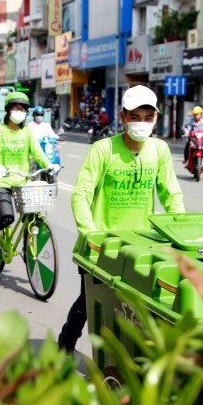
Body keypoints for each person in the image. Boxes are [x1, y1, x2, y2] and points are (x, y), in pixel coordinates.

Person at [57, 85, 185, 354]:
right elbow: (81, 193)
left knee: (135, 309)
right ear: (123, 117)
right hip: (103, 244)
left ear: (156, 119)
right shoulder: (103, 150)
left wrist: (180, 231)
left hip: (141, 247)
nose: (141, 123)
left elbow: (171, 193)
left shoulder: (159, 151)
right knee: (88, 303)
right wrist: (89, 233)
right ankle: (66, 344)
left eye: (147, 118)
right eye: (135, 117)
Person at [0, 92, 52, 245]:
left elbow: (37, 152)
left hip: (22, 183)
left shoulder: (27, 131)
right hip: (2, 182)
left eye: (23, 109)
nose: (19, 112)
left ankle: (28, 250)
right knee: (7, 217)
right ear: (8, 110)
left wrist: (49, 165)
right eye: (16, 108)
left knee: (32, 215)